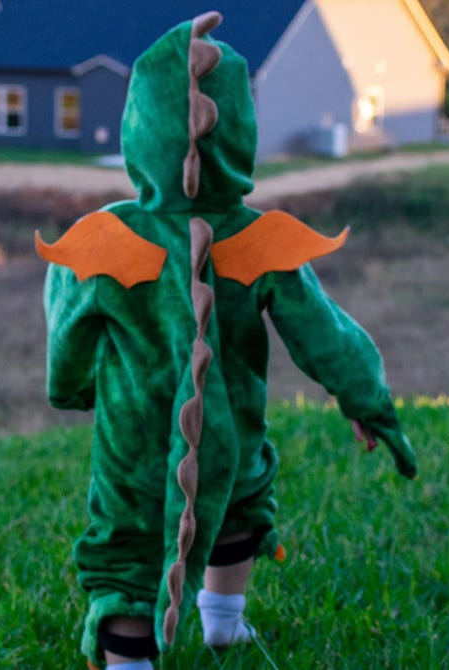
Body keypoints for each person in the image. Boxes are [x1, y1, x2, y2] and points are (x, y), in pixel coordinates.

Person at [37, 12, 416, 669]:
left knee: (129, 542)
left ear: (140, 128)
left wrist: (69, 389)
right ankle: (222, 620)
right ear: (240, 130)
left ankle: (132, 660)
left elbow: (68, 334)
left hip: (132, 438)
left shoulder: (100, 242)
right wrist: (366, 400)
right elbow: (322, 331)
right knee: (239, 502)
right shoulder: (259, 239)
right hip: (232, 429)